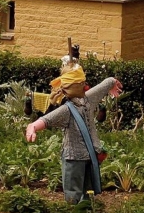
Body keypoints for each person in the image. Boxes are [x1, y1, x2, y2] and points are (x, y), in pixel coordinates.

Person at [24, 53, 122, 203]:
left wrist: (32, 127)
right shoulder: (79, 104)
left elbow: (46, 120)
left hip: (82, 155)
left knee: (80, 190)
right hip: (83, 155)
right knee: (81, 191)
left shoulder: (77, 104)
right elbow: (106, 83)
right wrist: (113, 83)